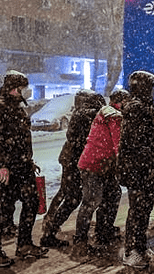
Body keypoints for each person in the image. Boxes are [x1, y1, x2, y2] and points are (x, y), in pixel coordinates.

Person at [0, 70, 48, 267]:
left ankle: (25, 244)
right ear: (14, 89)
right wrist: (0, 166)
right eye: (23, 88)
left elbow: (21, 140)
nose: (26, 92)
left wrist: (28, 161)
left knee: (31, 201)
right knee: (3, 209)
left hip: (21, 165)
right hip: (6, 168)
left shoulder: (18, 107)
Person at [40, 89, 105, 248]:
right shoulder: (87, 115)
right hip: (76, 161)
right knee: (73, 197)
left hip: (71, 159)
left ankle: (50, 226)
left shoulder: (79, 113)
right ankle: (51, 230)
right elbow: (85, 140)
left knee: (69, 194)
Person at [73, 89, 130, 257]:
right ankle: (80, 241)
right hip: (94, 165)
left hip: (102, 165)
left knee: (112, 194)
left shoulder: (108, 114)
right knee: (92, 201)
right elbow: (118, 143)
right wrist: (123, 161)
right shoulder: (113, 117)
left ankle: (104, 231)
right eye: (126, 101)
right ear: (119, 102)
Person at [118, 71, 154, 269]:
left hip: (143, 169)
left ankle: (141, 247)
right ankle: (131, 251)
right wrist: (150, 163)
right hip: (136, 169)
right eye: (151, 86)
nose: (153, 90)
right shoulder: (136, 109)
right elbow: (139, 143)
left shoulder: (145, 107)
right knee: (138, 210)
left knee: (145, 209)